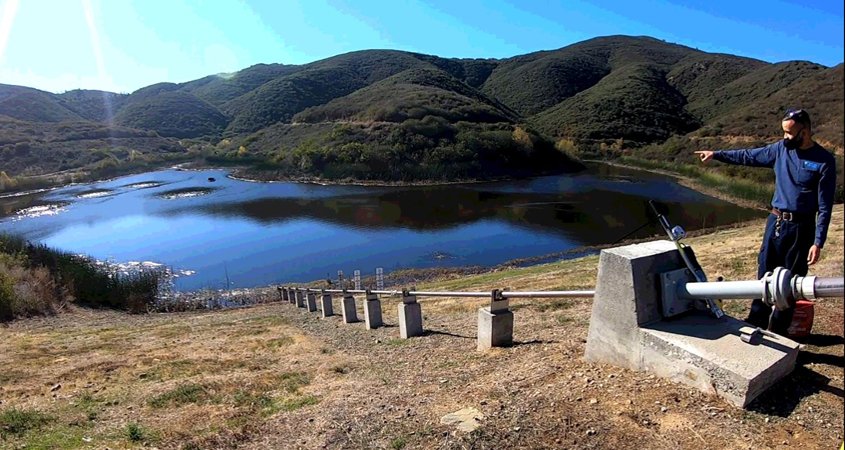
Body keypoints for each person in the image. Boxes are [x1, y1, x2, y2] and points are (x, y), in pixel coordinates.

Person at [694, 108, 837, 335]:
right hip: (776, 222)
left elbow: (824, 207)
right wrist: (717, 154)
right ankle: (755, 322)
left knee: (789, 282)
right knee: (765, 273)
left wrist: (818, 241)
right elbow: (748, 156)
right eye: (784, 133)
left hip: (802, 229)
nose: (785, 138)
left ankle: (778, 332)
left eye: (790, 133)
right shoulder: (779, 150)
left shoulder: (824, 161)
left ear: (806, 131)